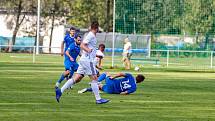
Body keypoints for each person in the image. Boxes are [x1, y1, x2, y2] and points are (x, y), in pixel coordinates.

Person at [55, 21, 109, 104]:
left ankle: (60, 91)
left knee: (77, 78)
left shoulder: (92, 35)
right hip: (88, 60)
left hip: (84, 60)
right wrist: (88, 50)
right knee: (94, 78)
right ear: (97, 28)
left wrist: (95, 53)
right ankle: (98, 99)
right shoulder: (91, 35)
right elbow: (82, 45)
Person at [78, 72, 145, 95]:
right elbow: (123, 93)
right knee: (100, 87)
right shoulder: (134, 88)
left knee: (106, 73)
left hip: (112, 83)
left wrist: (113, 77)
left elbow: (121, 74)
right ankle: (87, 89)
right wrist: (117, 91)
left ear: (136, 76)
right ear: (140, 81)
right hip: (111, 91)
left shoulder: (130, 76)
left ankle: (96, 82)